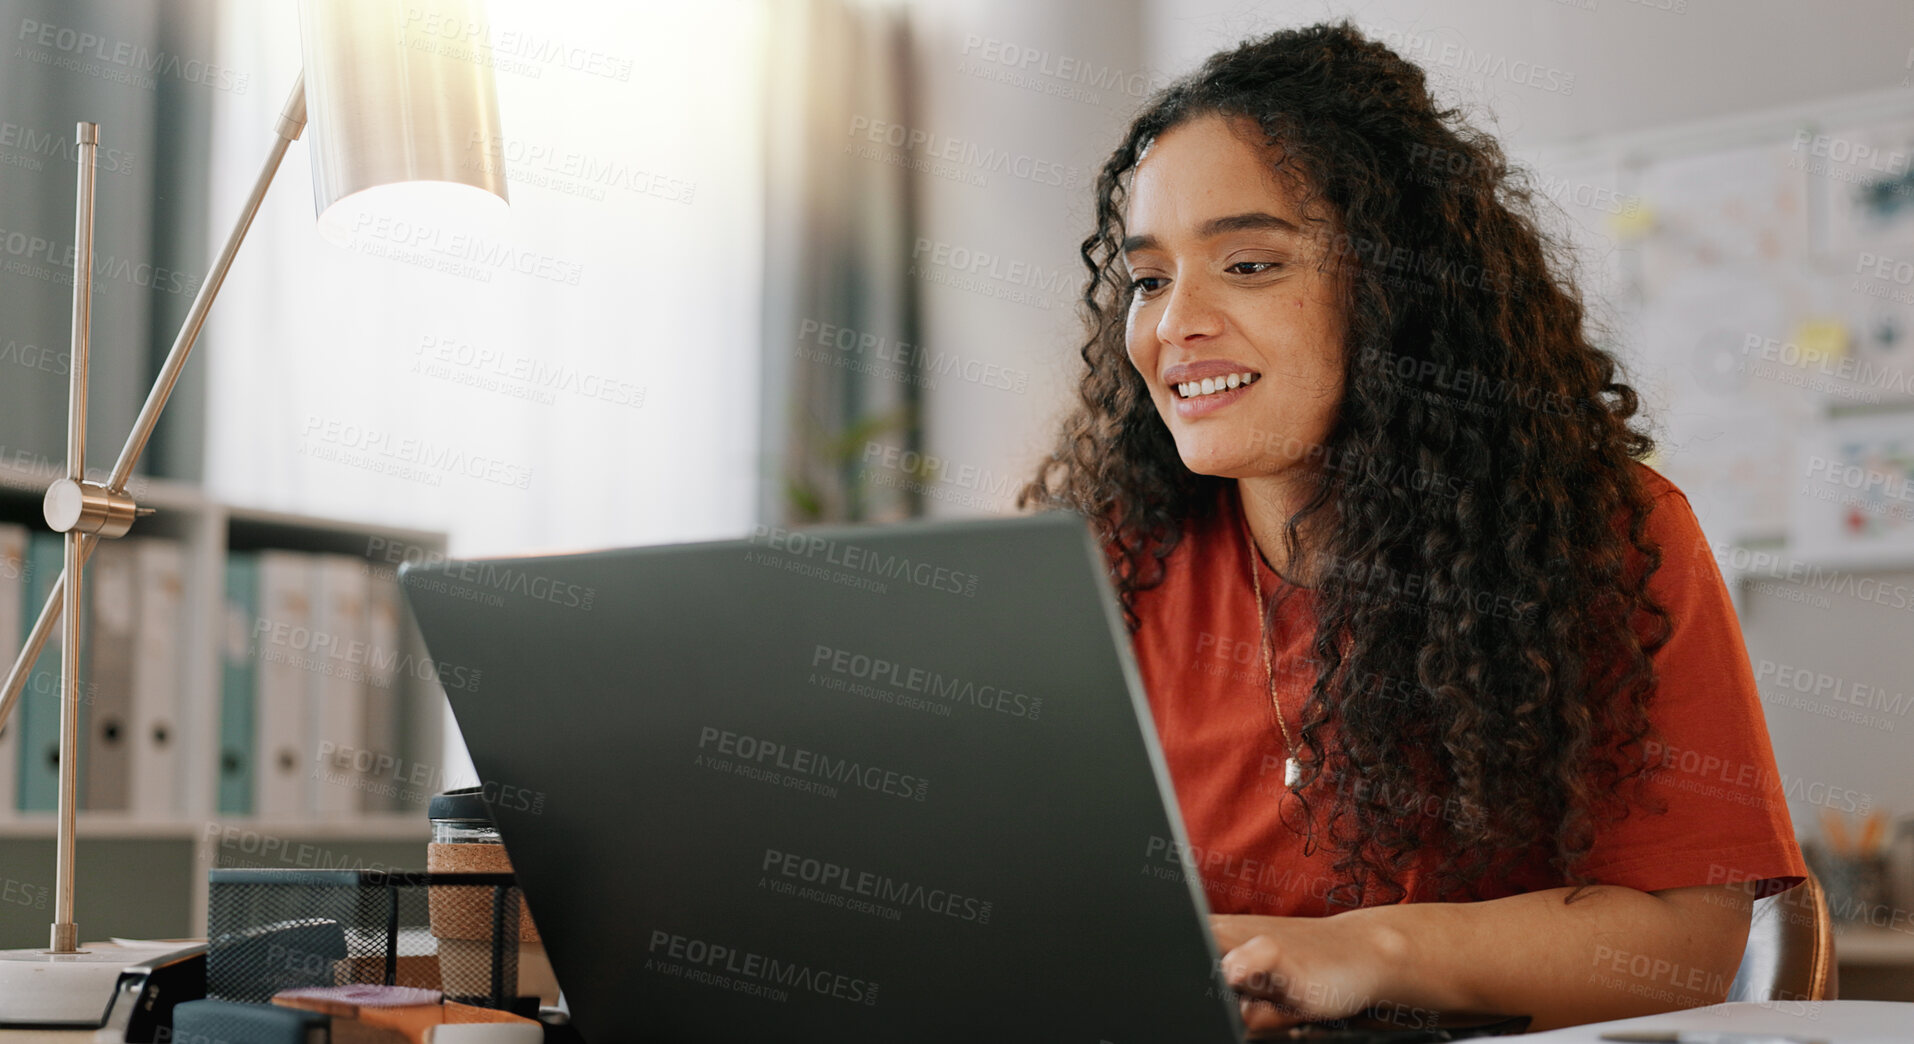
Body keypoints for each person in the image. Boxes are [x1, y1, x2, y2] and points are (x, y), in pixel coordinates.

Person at [1018, 21, 1805, 1036]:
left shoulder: (1606, 538)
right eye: (1150, 278)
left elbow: (1681, 951)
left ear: (1396, 288)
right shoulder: (1103, 566)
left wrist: (1366, 949)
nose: (1174, 325)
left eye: (1250, 264)